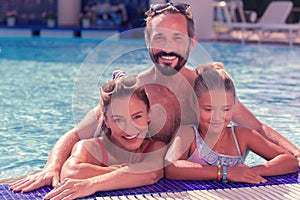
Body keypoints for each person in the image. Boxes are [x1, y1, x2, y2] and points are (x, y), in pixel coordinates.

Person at [10, 2, 299, 194]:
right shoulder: (132, 89)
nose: (167, 48)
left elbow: (257, 128)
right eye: (158, 38)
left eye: (177, 39)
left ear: (192, 42)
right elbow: (76, 134)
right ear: (146, 41)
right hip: (127, 176)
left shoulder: (204, 89)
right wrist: (51, 167)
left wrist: (297, 155)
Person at [164, 65, 298, 183]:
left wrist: (252, 172)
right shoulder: (187, 134)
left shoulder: (242, 136)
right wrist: (225, 172)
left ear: (234, 106)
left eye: (225, 109)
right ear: (194, 105)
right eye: (209, 109)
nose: (217, 117)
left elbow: (290, 161)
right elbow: (171, 168)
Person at [43, 74, 165, 199]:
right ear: (106, 121)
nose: (129, 128)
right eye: (118, 120)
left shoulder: (154, 147)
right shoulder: (91, 147)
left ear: (148, 116)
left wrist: (91, 184)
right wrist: (120, 171)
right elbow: (70, 172)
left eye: (137, 117)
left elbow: (152, 174)